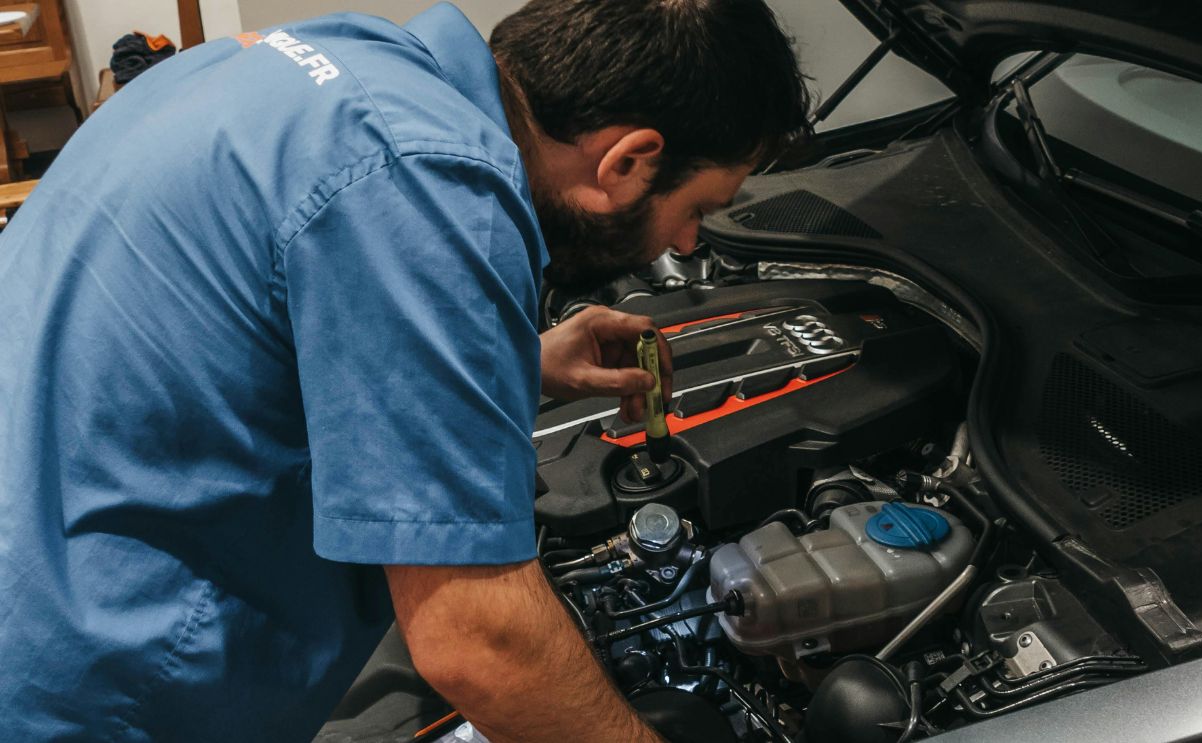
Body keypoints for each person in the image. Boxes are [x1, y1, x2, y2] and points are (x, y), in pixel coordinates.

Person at [0, 0, 810, 740]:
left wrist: (509, 364)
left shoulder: (308, 58)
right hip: (87, 691)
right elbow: (479, 642)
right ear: (628, 162)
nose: (689, 246)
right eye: (698, 209)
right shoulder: (427, 184)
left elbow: (238, 352)